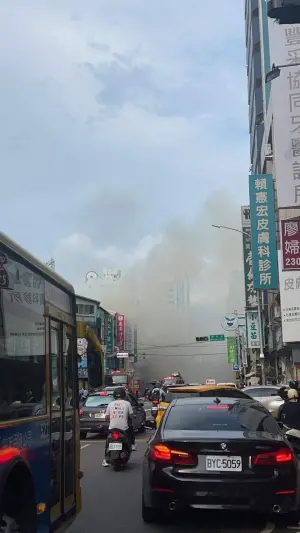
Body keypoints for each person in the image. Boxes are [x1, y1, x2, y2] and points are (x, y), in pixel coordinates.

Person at [102, 387, 136, 467]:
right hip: (123, 429)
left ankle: (105, 459)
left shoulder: (111, 404)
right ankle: (133, 445)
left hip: (112, 429)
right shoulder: (127, 403)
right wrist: (132, 416)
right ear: (124, 395)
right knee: (131, 430)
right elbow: (131, 416)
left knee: (107, 442)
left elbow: (106, 417)